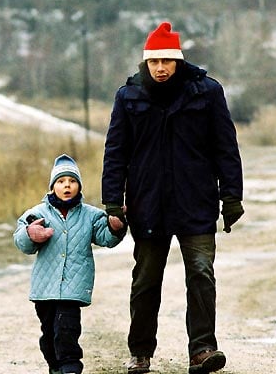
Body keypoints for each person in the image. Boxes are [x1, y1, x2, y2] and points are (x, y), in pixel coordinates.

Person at [101, 22, 244, 374]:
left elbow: (225, 147)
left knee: (201, 274)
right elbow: (115, 153)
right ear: (145, 63)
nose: (161, 68)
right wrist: (112, 203)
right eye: (154, 62)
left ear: (178, 61)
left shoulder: (206, 92)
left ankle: (202, 350)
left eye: (167, 61)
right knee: (147, 278)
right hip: (148, 204)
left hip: (196, 201)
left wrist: (232, 196)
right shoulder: (129, 97)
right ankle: (140, 352)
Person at [14, 153, 127, 374]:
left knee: (66, 330)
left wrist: (116, 227)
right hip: (44, 289)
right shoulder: (36, 214)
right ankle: (56, 367)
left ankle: (70, 368)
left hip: (73, 287)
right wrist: (30, 234)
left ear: (79, 186)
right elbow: (22, 242)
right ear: (52, 187)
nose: (67, 186)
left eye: (72, 181)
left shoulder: (90, 215)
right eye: (61, 181)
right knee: (49, 335)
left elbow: (106, 238)